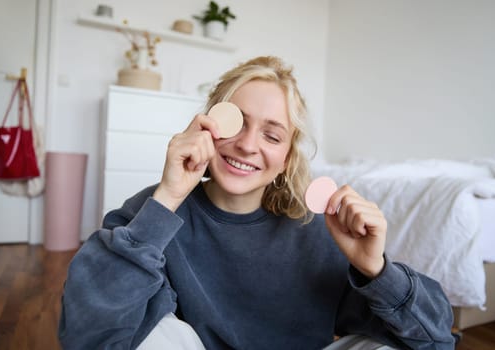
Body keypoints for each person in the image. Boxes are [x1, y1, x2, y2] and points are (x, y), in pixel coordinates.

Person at [59, 56, 455, 350]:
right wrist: (168, 197)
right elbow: (88, 333)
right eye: (236, 122)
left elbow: (437, 340)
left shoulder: (316, 229)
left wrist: (376, 269)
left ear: (287, 158)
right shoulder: (155, 209)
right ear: (206, 125)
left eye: (272, 135)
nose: (248, 145)